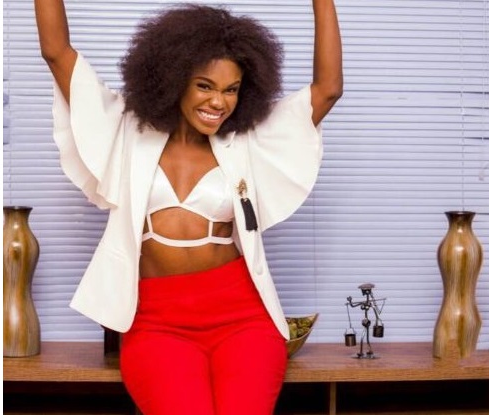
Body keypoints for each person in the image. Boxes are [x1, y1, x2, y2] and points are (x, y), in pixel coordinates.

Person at [34, 1, 342, 414]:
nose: (219, 102)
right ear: (174, 78)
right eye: (205, 85)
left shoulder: (247, 141)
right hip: (157, 323)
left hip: (242, 317)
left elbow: (327, 89)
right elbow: (57, 52)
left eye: (231, 89)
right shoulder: (126, 130)